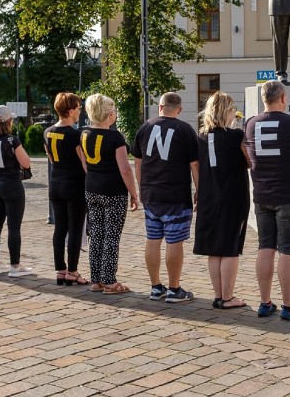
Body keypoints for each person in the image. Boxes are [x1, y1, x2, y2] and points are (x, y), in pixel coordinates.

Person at [244, 80, 290, 319]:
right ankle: (289, 306)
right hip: (289, 196)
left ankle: (264, 302)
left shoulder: (251, 123)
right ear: (283, 98)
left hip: (262, 194)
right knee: (287, 251)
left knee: (265, 247)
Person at [132, 92, 199, 303]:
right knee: (174, 241)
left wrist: (141, 187)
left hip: (151, 193)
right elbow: (194, 164)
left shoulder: (145, 127)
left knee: (152, 239)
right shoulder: (185, 129)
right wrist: (200, 190)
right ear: (179, 109)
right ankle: (174, 288)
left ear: (160, 107)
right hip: (176, 194)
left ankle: (154, 287)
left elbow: (138, 161)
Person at [193, 92, 250, 309]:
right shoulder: (236, 136)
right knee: (230, 247)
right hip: (232, 195)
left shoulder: (201, 136)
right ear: (226, 111)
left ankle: (218, 295)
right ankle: (227, 297)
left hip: (209, 195)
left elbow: (196, 166)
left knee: (214, 248)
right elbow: (249, 161)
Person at [82, 94, 138, 294]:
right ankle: (109, 280)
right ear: (109, 114)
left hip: (92, 188)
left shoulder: (84, 134)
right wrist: (134, 193)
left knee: (95, 234)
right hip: (113, 191)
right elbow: (125, 169)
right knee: (112, 236)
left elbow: (85, 164)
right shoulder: (115, 137)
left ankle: (96, 279)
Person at [44, 92, 88, 286]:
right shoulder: (76, 134)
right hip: (74, 184)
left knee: (60, 228)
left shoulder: (47, 131)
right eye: (78, 108)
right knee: (75, 229)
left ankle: (60, 270)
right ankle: (72, 271)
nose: (80, 111)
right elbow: (85, 164)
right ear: (70, 111)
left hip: (55, 183)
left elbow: (51, 159)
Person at [0, 105, 34, 277]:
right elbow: (26, 163)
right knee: (14, 227)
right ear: (8, 121)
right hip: (11, 183)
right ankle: (15, 266)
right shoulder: (12, 140)